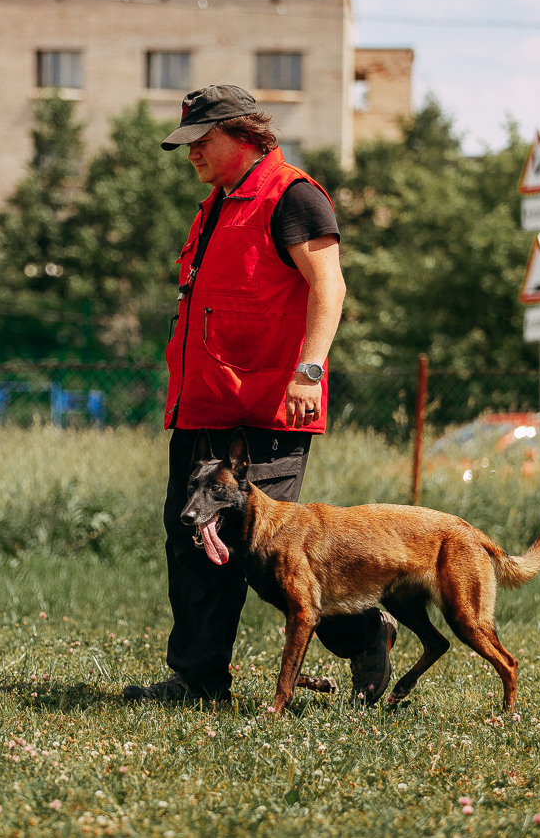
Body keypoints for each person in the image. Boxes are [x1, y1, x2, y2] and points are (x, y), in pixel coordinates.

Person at [123, 84, 397, 706]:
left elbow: (329, 285)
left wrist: (311, 369)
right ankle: (197, 683)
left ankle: (364, 634)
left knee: (269, 559)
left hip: (265, 413)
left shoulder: (292, 196)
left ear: (244, 134)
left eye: (201, 140)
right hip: (203, 408)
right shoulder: (217, 204)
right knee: (190, 539)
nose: (190, 153)